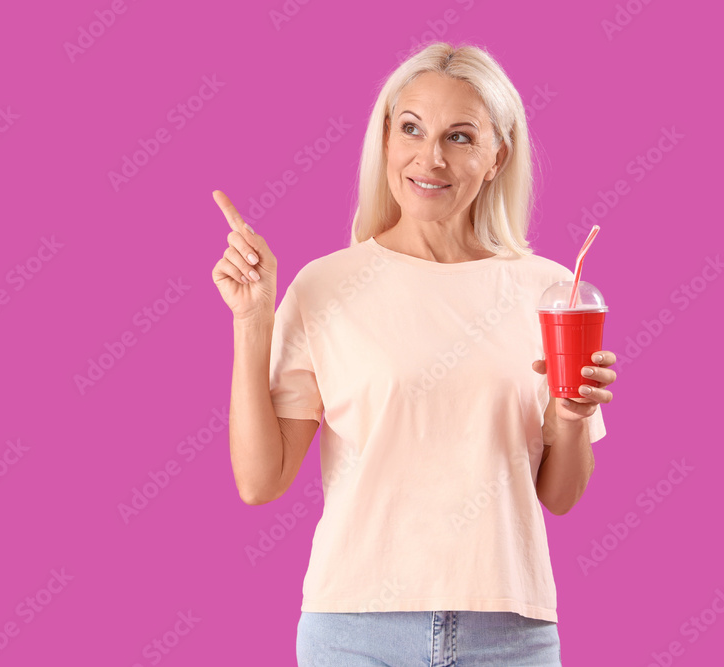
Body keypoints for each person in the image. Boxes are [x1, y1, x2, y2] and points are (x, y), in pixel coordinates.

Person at [211, 41, 618, 666]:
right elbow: (260, 481)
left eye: (460, 137)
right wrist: (251, 321)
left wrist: (567, 419)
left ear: (496, 155)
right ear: (385, 139)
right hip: (353, 630)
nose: (430, 157)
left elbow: (560, 497)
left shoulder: (552, 293)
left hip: (510, 633)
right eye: (411, 129)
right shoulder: (325, 287)